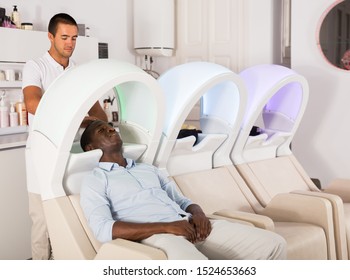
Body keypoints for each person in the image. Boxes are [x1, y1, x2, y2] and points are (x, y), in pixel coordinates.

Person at [80, 120, 287, 260]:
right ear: (90, 147)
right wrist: (166, 227)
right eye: (102, 130)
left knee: (274, 244)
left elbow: (181, 200)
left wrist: (198, 214)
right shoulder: (95, 180)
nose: (111, 130)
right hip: (155, 237)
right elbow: (104, 230)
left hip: (190, 224)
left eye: (111, 127)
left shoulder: (148, 169)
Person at [22, 13, 108, 260]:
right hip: (41, 153)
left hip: (72, 154)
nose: (69, 43)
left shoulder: (78, 72)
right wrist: (79, 117)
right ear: (50, 37)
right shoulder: (35, 66)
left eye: (74, 38)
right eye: (64, 37)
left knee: (70, 216)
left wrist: (104, 125)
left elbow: (96, 109)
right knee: (42, 220)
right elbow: (32, 104)